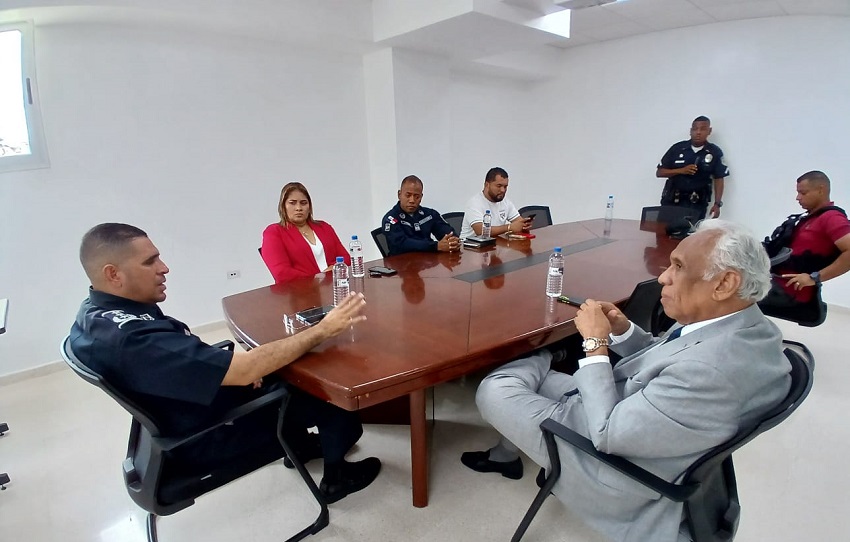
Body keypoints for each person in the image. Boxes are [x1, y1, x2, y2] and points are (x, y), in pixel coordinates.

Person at [462, 220, 791, 542]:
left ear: (724, 284)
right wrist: (622, 331)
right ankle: (539, 381)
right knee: (539, 372)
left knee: (495, 386)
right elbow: (667, 360)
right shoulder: (748, 329)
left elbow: (606, 434)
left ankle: (549, 355)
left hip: (608, 456)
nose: (663, 276)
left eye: (677, 267)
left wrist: (595, 344)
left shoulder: (712, 372)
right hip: (634, 407)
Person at [69, 223, 381, 504]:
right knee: (327, 386)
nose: (164, 268)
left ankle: (299, 448)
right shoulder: (134, 341)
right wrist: (322, 329)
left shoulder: (96, 314)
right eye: (150, 261)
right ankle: (336, 479)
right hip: (209, 434)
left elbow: (183, 360)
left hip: (192, 404)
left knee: (281, 366)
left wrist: (227, 369)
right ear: (113, 274)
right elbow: (242, 369)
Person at [760, 170, 850, 309]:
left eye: (803, 193)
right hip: (774, 283)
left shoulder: (832, 218)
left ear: (821, 190)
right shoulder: (808, 218)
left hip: (790, 293)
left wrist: (814, 278)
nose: (798, 198)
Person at [261, 182, 350, 283]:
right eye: (292, 203)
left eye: (303, 203)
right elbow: (281, 273)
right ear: (283, 206)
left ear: (309, 206)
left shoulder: (324, 227)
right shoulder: (274, 232)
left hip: (334, 286)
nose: (299, 208)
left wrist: (330, 271)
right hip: (298, 293)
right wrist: (316, 279)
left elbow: (346, 258)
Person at [656, 116, 729, 220]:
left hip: (697, 204)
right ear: (690, 131)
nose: (698, 132)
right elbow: (659, 172)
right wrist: (681, 170)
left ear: (709, 131)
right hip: (672, 201)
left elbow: (719, 178)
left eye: (703, 129)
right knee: (663, 233)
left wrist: (717, 204)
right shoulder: (677, 148)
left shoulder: (714, 152)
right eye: (695, 129)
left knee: (692, 234)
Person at [381, 175, 460, 256]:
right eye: (408, 195)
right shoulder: (390, 219)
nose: (412, 200)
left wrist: (452, 241)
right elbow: (401, 244)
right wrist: (435, 246)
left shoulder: (429, 214)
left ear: (421, 197)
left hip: (427, 262)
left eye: (417, 197)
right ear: (399, 195)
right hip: (401, 264)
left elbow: (448, 232)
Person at [460, 167, 532, 239]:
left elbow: (518, 221)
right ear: (487, 185)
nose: (503, 190)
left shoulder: (505, 201)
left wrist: (524, 225)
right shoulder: (474, 203)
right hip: (470, 247)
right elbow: (480, 231)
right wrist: (509, 227)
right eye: (499, 186)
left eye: (505, 186)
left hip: (494, 244)